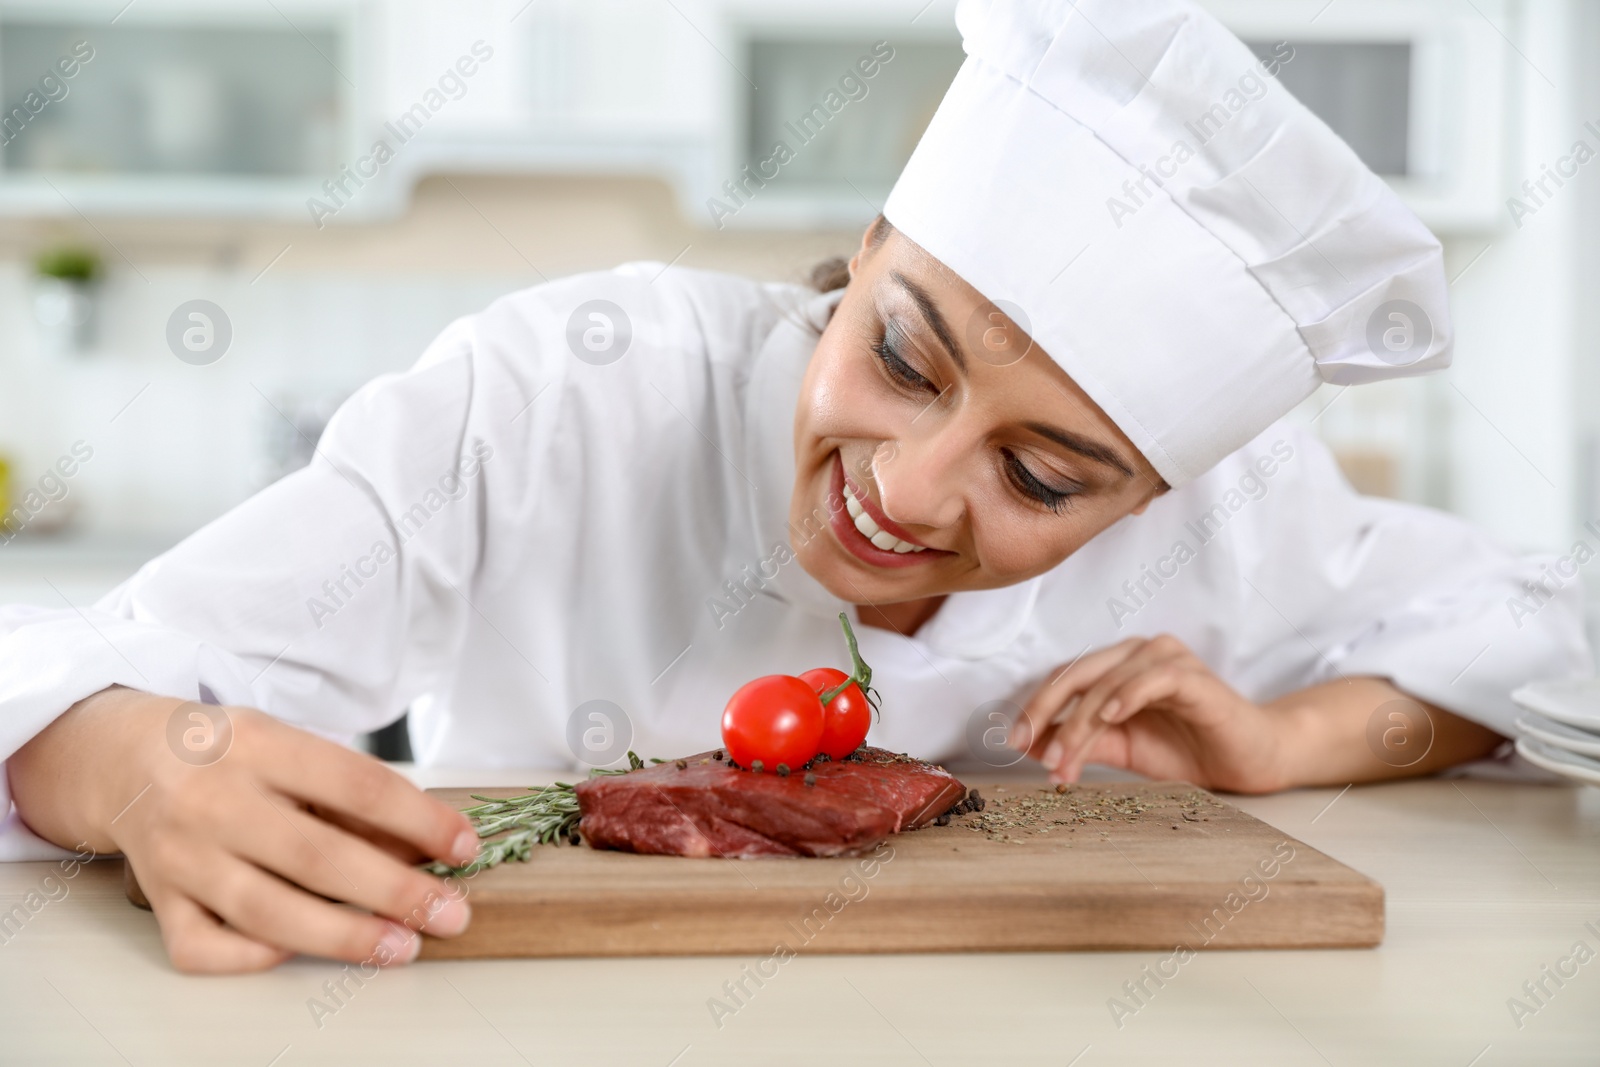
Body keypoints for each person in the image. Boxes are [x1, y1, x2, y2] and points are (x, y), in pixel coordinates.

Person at [1, 0, 1587, 974]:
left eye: (1044, 474)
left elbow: (1546, 621)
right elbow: (105, 670)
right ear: (869, 254)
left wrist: (1288, 736)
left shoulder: (1233, 512)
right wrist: (137, 765)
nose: (906, 489)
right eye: (901, 356)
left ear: (1154, 497)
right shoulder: (573, 388)